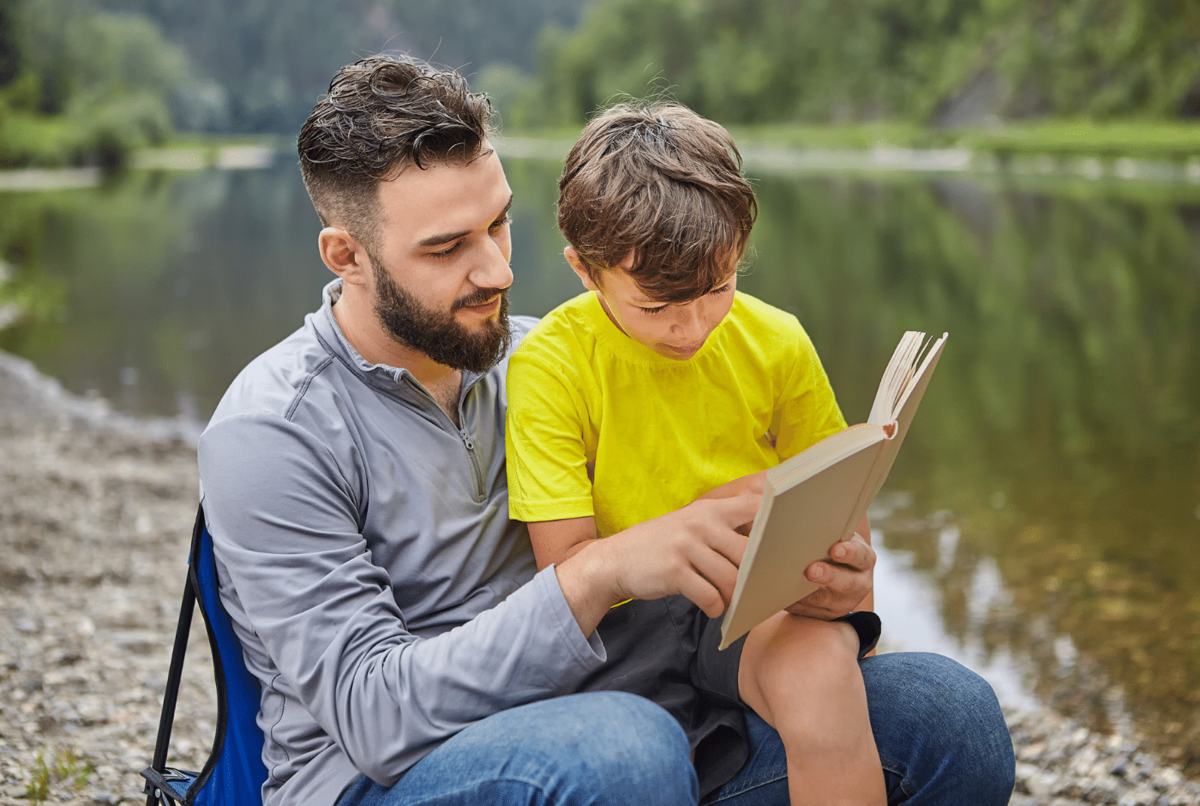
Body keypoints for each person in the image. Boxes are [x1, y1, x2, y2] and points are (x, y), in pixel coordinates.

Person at [197, 53, 1016, 806]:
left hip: (640, 723)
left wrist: (811, 576)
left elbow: (689, 580)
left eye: (499, 225)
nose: (499, 271)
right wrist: (599, 574)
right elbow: (373, 720)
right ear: (345, 255)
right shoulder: (274, 433)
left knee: (951, 718)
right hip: (401, 778)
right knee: (623, 753)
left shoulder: (552, 357)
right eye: (447, 248)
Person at [504, 101, 884, 805]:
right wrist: (699, 517)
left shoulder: (777, 342)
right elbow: (565, 576)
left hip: (750, 604)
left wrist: (844, 576)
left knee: (824, 678)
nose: (692, 325)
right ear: (585, 271)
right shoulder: (551, 365)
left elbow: (846, 525)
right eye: (655, 306)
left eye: (719, 288)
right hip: (623, 630)